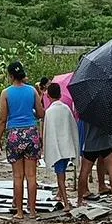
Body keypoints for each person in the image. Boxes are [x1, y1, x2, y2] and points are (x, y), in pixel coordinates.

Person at [0, 61, 45, 219]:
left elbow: (2, 119)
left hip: (14, 135)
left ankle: (19, 212)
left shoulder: (6, 93)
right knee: (31, 176)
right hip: (31, 133)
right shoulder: (32, 91)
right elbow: (40, 113)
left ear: (10, 75)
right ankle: (32, 211)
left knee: (17, 177)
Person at [43, 82, 79, 212]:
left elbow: (48, 132)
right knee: (62, 174)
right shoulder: (66, 109)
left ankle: (66, 202)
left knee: (60, 177)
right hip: (67, 147)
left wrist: (46, 148)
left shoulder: (50, 112)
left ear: (48, 95)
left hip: (57, 147)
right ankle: (60, 195)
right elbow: (73, 127)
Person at [77, 122, 112, 208]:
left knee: (84, 172)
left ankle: (79, 201)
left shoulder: (86, 110)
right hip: (107, 142)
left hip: (90, 143)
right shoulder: (109, 110)